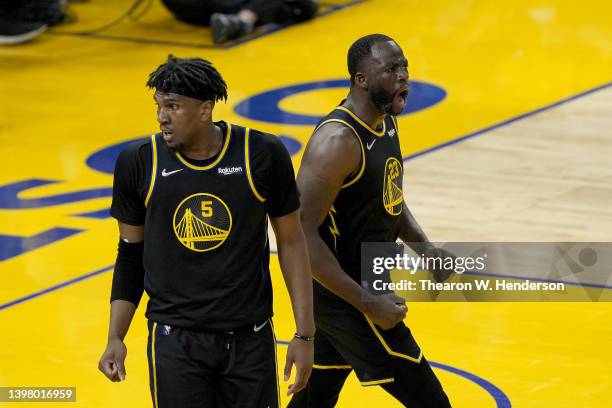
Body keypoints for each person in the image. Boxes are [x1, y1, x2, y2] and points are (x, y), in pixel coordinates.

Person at [98, 54, 315, 408]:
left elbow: (291, 242)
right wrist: (115, 336)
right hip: (175, 339)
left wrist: (305, 334)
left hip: (250, 338)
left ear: (205, 109)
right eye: (158, 106)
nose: (161, 117)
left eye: (172, 106)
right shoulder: (139, 162)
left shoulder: (260, 154)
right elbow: (130, 253)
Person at [288, 34, 452, 407]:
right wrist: (367, 302)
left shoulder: (385, 121)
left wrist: (426, 250)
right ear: (361, 79)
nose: (404, 77)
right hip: (346, 292)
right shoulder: (337, 143)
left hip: (361, 281)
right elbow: (300, 235)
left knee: (315, 397)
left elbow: (389, 196)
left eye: (405, 67)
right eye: (391, 69)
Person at [160, 0, 318, 43]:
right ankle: (244, 20)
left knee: (301, 8)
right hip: (203, 7)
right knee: (303, 7)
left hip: (184, 11)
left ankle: (241, 20)